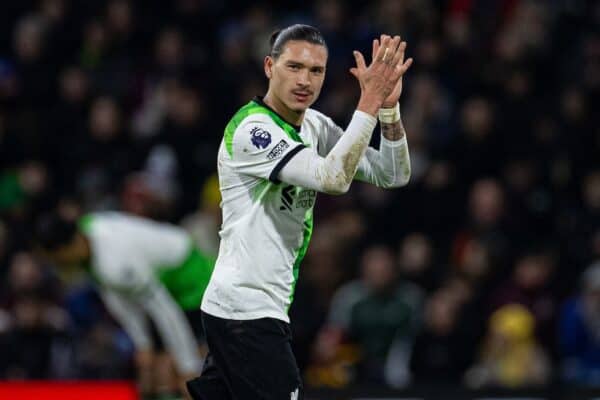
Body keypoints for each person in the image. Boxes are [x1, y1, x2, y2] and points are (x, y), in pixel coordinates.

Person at [187, 24, 413, 399]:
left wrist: (388, 109)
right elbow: (333, 178)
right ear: (269, 67)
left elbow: (393, 172)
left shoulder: (314, 125)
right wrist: (368, 101)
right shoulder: (252, 130)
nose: (304, 80)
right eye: (293, 67)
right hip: (245, 309)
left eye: (316, 71)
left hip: (258, 307)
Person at [34, 210, 215, 399]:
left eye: (56, 260)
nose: (57, 266)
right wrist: (143, 346)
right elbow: (117, 298)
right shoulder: (87, 227)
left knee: (172, 373)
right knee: (154, 373)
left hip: (193, 281)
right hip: (164, 284)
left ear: (67, 249)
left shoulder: (115, 262)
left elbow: (165, 311)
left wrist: (187, 366)